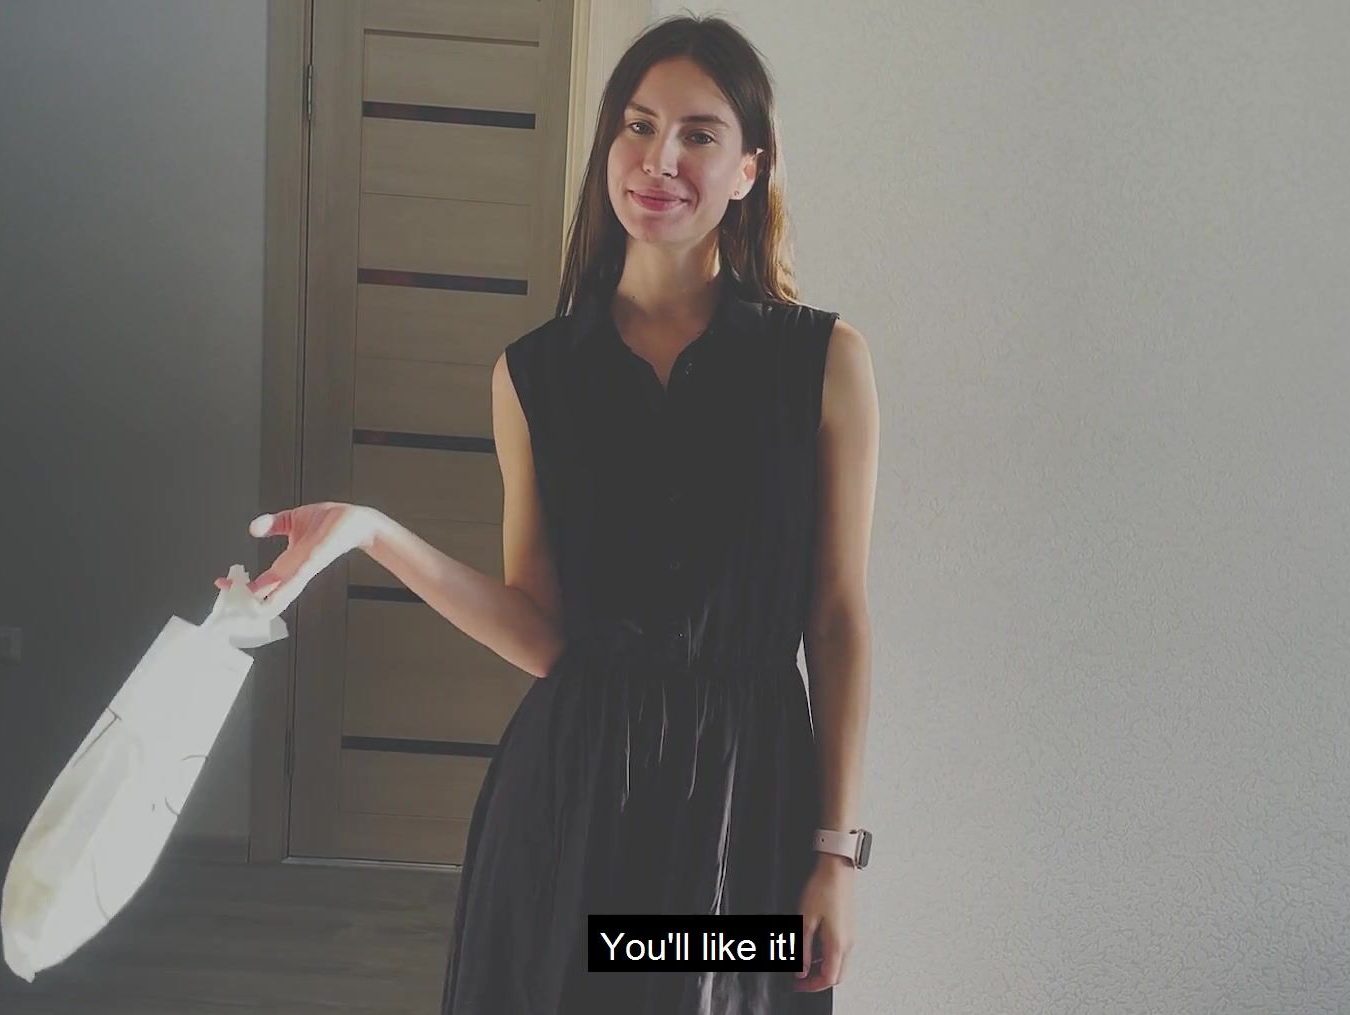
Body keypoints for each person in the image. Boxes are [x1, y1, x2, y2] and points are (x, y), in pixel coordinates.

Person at [220, 15, 878, 1014]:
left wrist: (835, 853)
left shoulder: (821, 363)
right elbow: (542, 633)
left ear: (750, 169)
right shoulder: (536, 374)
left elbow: (836, 621)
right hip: (575, 807)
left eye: (699, 134)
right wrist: (371, 531)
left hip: (748, 807)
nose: (660, 158)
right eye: (638, 125)